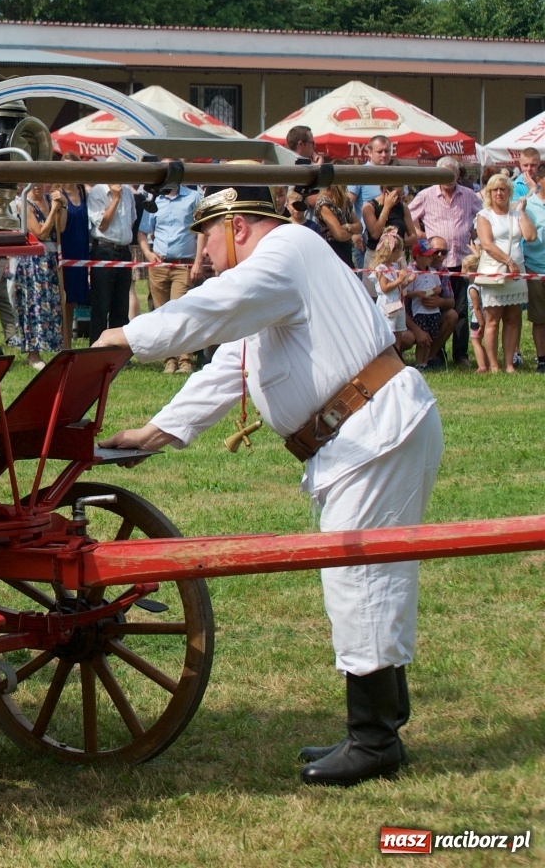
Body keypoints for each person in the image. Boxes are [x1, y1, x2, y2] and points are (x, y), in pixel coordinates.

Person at [95, 184, 442, 787]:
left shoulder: (287, 249)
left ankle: (375, 740)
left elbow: (210, 310)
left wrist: (128, 337)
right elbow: (232, 366)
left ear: (239, 226)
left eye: (207, 237)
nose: (201, 255)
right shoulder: (279, 276)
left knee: (359, 579)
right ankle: (381, 725)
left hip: (373, 433)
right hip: (367, 434)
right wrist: (154, 433)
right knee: (368, 578)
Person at [408, 157, 483, 366]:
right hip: (435, 263)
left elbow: (484, 215)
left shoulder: (469, 195)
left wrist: (476, 236)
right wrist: (419, 234)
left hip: (461, 260)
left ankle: (460, 354)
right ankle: (436, 353)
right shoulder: (426, 195)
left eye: (452, 174)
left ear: (458, 174)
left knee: (460, 311)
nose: (449, 178)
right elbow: (409, 214)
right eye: (444, 174)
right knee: (434, 308)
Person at [136, 181, 203, 374]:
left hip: (184, 264)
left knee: (181, 312)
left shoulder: (194, 197)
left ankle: (186, 360)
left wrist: (198, 261)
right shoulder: (154, 200)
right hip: (158, 265)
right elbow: (142, 232)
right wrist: (148, 254)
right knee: (162, 313)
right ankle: (169, 359)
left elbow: (201, 231)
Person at [472, 173, 536, 374]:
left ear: (509, 192)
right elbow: (487, 244)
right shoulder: (484, 215)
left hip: (516, 273)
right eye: (495, 189)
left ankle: (509, 363)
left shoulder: (516, 214)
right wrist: (508, 261)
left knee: (513, 318)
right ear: (489, 193)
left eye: (503, 189)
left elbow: (530, 236)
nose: (499, 193)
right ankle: (493, 365)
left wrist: (522, 211)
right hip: (495, 271)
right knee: (492, 319)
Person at [10, 182, 66, 369]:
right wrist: (54, 210)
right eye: (32, 183)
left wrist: (61, 206)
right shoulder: (24, 204)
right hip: (33, 262)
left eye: (40, 182)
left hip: (49, 260)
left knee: (52, 304)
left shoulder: (50, 201)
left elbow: (61, 227)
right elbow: (41, 232)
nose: (37, 187)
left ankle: (53, 346)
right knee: (33, 305)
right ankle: (33, 353)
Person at [85, 175, 136, 344]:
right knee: (101, 304)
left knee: (121, 305)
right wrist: (115, 199)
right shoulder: (97, 192)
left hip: (124, 252)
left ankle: (117, 350)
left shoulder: (128, 191)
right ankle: (96, 349)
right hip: (104, 251)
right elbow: (102, 224)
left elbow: (132, 219)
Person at [56, 155, 89, 350]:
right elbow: (60, 228)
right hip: (66, 249)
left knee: (73, 301)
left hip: (81, 250)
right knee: (63, 299)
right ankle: (63, 343)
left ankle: (67, 341)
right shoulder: (59, 194)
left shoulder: (83, 191)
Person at [406, 238, 456, 369]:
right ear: (419, 256)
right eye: (435, 252)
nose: (439, 256)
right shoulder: (410, 272)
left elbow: (451, 301)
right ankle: (404, 360)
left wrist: (440, 301)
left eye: (443, 252)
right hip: (412, 317)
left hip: (433, 313)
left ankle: (427, 360)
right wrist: (417, 331)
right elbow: (402, 302)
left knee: (452, 315)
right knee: (413, 338)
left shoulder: (440, 271)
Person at [520, 168, 545, 372]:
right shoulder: (529, 205)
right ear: (539, 180)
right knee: (539, 317)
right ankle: (542, 359)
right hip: (535, 267)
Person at [459, 247, 495, 373]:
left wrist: (481, 323)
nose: (461, 270)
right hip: (485, 317)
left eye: (464, 268)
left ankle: (482, 366)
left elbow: (476, 308)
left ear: (470, 270)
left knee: (475, 342)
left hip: (477, 319)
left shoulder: (472, 289)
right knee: (481, 342)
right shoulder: (481, 285)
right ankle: (488, 363)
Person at [310, 183, 361, 269]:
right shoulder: (324, 203)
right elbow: (339, 235)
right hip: (331, 251)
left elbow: (360, 227)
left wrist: (346, 227)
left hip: (347, 251)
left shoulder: (346, 201)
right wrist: (352, 232)